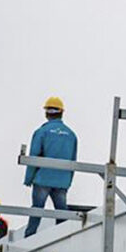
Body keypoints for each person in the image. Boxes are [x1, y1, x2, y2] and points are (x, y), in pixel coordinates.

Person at [24, 96, 78, 237]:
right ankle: (62, 237)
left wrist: (29, 178)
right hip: (62, 180)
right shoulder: (71, 135)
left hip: (43, 178)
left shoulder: (42, 132)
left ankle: (29, 236)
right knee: (61, 212)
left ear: (46, 113)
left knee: (37, 210)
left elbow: (34, 157)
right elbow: (73, 161)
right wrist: (68, 181)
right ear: (62, 112)